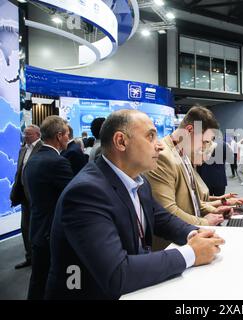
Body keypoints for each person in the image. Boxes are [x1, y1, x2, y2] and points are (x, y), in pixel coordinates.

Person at [45, 110, 224, 300]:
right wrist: (191, 253)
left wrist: (194, 233)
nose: (160, 146)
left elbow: (160, 217)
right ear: (121, 141)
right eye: (151, 137)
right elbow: (117, 272)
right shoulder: (86, 193)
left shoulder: (138, 181)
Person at [144, 107, 232, 229]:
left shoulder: (183, 154)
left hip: (190, 233)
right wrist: (204, 222)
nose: (204, 147)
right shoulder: (163, 156)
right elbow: (168, 211)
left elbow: (191, 201)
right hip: (173, 242)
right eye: (204, 141)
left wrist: (215, 211)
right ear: (189, 130)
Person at [23, 116, 73, 300]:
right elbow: (73, 198)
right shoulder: (58, 162)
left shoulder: (33, 160)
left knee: (38, 280)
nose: (69, 138)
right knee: (57, 282)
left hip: (37, 230)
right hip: (52, 233)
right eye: (67, 134)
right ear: (59, 136)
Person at [10, 125, 43, 269]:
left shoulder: (43, 148)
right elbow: (19, 172)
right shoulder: (23, 149)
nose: (25, 136)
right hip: (24, 194)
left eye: (28, 134)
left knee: (38, 228)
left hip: (37, 195)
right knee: (25, 227)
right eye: (24, 134)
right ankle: (29, 257)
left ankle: (40, 259)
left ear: (37, 134)